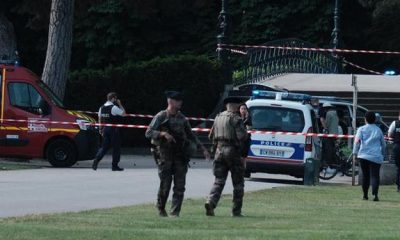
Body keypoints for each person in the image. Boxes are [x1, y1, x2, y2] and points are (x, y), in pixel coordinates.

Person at [145, 91, 210, 217]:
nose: (180, 102)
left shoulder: (182, 118)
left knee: (180, 186)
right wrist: (162, 134)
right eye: (177, 100)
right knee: (165, 184)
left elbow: (191, 135)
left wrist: (203, 148)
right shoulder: (161, 116)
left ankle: (175, 212)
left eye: (181, 100)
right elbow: (148, 132)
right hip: (165, 155)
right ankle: (161, 207)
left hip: (180, 155)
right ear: (170, 101)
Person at [205, 97, 248, 217]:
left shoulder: (218, 117)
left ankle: (211, 201)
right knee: (238, 183)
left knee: (219, 181)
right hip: (232, 152)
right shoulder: (236, 119)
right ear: (235, 106)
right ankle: (236, 211)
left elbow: (211, 136)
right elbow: (241, 136)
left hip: (219, 151)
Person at [353, 111, 386, 201]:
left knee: (365, 176)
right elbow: (383, 144)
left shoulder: (361, 129)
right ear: (375, 120)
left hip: (363, 156)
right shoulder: (378, 130)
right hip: (376, 156)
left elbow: (356, 142)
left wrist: (355, 153)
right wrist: (383, 154)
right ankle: (375, 195)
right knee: (375, 176)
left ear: (365, 119)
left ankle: (365, 195)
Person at [92, 92, 127, 171]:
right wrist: (120, 104)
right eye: (115, 99)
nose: (116, 100)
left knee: (104, 147)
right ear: (113, 98)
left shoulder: (101, 107)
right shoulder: (113, 107)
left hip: (105, 129)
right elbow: (124, 114)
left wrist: (100, 128)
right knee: (116, 148)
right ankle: (114, 166)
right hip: (113, 129)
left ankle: (96, 160)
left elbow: (99, 118)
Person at [388, 111, 400, 192]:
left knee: (399, 167)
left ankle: (398, 185)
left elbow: (389, 134)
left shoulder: (395, 123)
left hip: (397, 146)